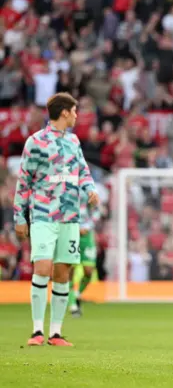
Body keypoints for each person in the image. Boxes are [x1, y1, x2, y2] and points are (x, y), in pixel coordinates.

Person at [14, 92, 99, 346]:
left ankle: (55, 333)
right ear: (64, 112)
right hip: (42, 214)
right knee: (42, 268)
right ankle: (37, 331)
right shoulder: (35, 142)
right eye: (74, 111)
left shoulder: (73, 141)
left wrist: (90, 189)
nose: (76, 115)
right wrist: (20, 216)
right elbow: (23, 181)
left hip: (71, 217)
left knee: (63, 272)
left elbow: (83, 170)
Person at [69, 188, 101, 317]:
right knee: (69, 271)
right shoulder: (65, 188)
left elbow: (97, 210)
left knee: (89, 270)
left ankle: (77, 295)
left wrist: (87, 226)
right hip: (71, 234)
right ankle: (73, 306)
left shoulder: (88, 188)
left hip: (87, 236)